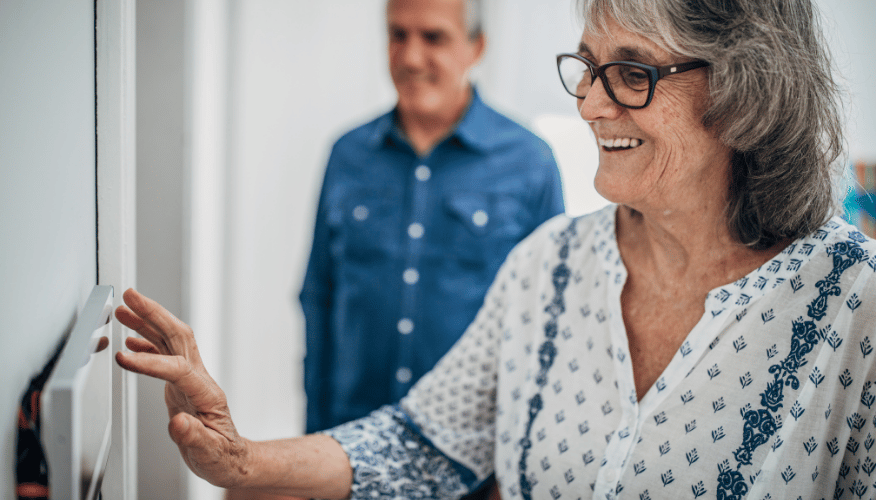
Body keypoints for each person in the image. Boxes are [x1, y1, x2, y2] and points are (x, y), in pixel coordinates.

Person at [115, 0, 876, 498]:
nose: (589, 103)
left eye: (634, 73)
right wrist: (241, 460)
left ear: (748, 89)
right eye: (586, 66)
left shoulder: (853, 303)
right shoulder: (548, 268)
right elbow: (419, 443)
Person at [299, 0, 565, 439]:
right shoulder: (346, 154)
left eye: (434, 37)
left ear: (476, 47)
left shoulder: (530, 161)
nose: (410, 57)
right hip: (353, 438)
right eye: (397, 35)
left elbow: (549, 317)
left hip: (473, 451)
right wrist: (315, 435)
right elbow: (319, 295)